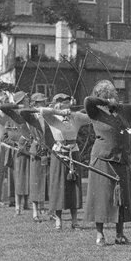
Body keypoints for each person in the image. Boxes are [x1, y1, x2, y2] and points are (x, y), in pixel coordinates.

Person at [84, 80, 131, 246]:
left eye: (114, 94)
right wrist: (107, 102)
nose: (114, 96)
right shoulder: (95, 111)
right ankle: (100, 235)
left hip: (121, 159)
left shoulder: (124, 110)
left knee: (120, 198)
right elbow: (88, 100)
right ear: (101, 97)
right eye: (109, 94)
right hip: (102, 159)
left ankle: (119, 234)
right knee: (101, 198)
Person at [38, 93, 91, 229]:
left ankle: (74, 220)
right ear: (54, 104)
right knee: (58, 186)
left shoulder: (76, 117)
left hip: (73, 152)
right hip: (59, 153)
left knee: (74, 186)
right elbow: (43, 110)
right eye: (59, 102)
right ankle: (58, 220)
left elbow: (92, 117)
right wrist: (59, 111)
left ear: (71, 103)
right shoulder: (53, 117)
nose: (63, 104)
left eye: (66, 102)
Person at [19, 93, 53, 222]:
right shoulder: (31, 116)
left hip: (48, 150)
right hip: (37, 150)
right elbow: (23, 112)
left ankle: (51, 210)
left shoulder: (48, 115)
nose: (44, 104)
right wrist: (36, 109)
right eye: (41, 102)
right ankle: (35, 212)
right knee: (35, 181)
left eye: (44, 102)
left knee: (48, 181)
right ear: (36, 104)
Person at [0, 92, 33, 215]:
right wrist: (15, 144)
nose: (28, 100)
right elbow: (3, 138)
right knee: (18, 180)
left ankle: (26, 203)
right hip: (16, 154)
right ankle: (17, 206)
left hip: (27, 151)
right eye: (25, 99)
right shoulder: (10, 119)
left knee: (27, 178)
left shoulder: (28, 115)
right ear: (19, 102)